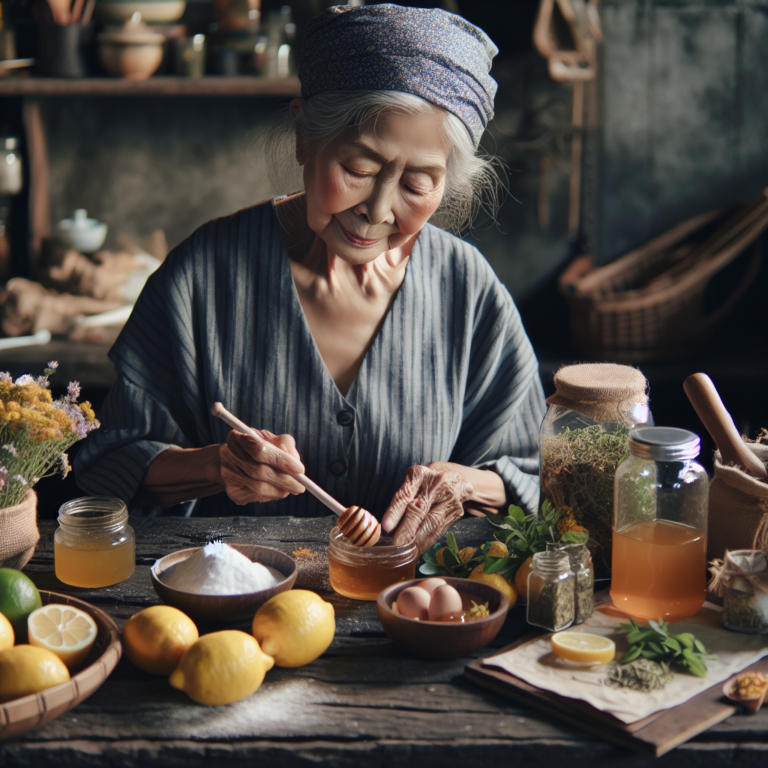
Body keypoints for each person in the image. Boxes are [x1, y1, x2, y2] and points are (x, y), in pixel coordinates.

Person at [75, 4, 546, 554]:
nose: (378, 209)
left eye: (418, 183)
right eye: (360, 169)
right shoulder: (203, 276)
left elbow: (537, 476)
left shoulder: (468, 292)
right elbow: (107, 462)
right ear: (304, 136)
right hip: (234, 615)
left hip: (409, 618)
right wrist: (217, 467)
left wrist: (466, 485)